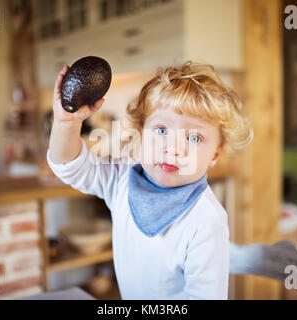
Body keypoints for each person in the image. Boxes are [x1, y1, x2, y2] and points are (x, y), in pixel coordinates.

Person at [47, 61, 253, 299]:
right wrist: (66, 122)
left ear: (215, 154)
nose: (173, 149)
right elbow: (70, 167)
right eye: (162, 130)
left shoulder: (206, 220)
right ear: (141, 132)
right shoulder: (122, 180)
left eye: (195, 138)